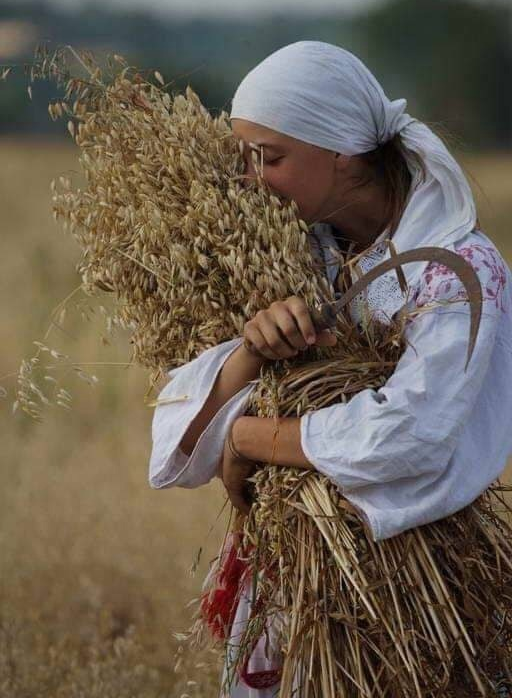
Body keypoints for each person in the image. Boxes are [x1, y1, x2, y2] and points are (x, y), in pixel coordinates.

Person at [149, 41, 512, 696]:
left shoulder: (459, 270)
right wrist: (254, 351)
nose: (253, 178)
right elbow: (187, 415)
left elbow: (413, 434)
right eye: (248, 157)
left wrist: (252, 440)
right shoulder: (292, 251)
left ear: (342, 150)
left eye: (272, 157)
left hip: (410, 589)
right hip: (302, 573)